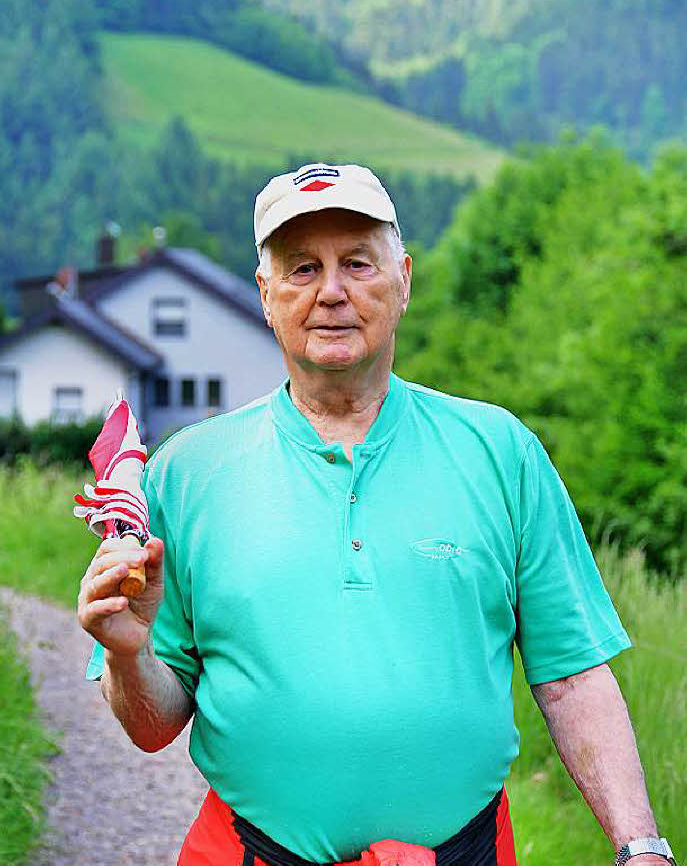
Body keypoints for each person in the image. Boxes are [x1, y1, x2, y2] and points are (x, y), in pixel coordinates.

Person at [78, 164, 675, 866]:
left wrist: (640, 847)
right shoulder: (187, 471)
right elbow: (153, 726)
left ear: (403, 280)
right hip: (250, 852)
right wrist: (127, 652)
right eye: (302, 268)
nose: (331, 291)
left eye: (356, 263)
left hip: (467, 852)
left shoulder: (498, 451)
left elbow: (572, 675)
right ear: (266, 296)